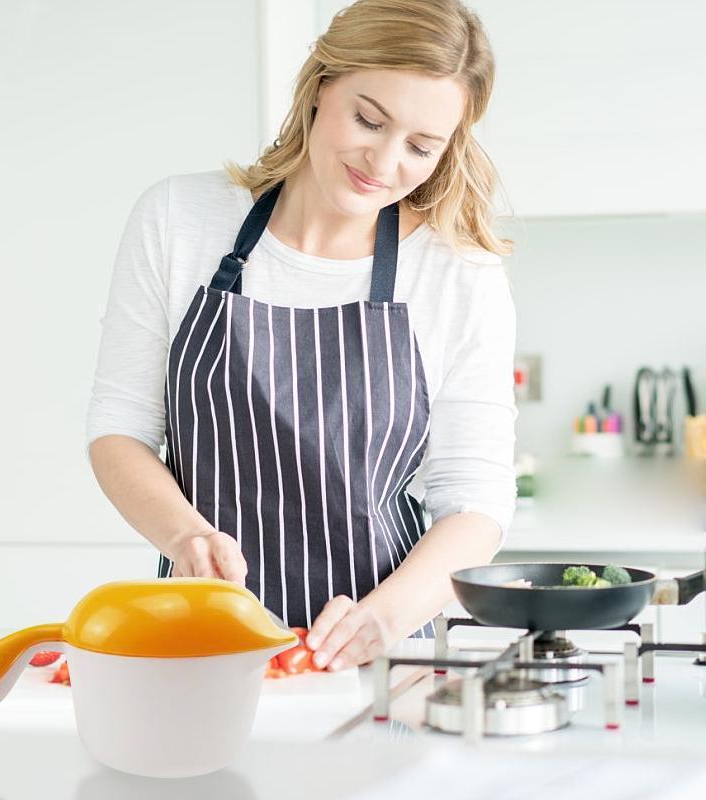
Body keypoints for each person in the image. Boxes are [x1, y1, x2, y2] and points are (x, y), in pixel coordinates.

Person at [86, 0, 517, 673]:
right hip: (201, 646)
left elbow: (476, 500)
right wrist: (187, 536)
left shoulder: (458, 272)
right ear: (321, 86)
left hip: (384, 660)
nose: (383, 159)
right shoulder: (179, 219)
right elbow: (120, 429)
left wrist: (385, 617)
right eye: (369, 119)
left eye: (421, 146)